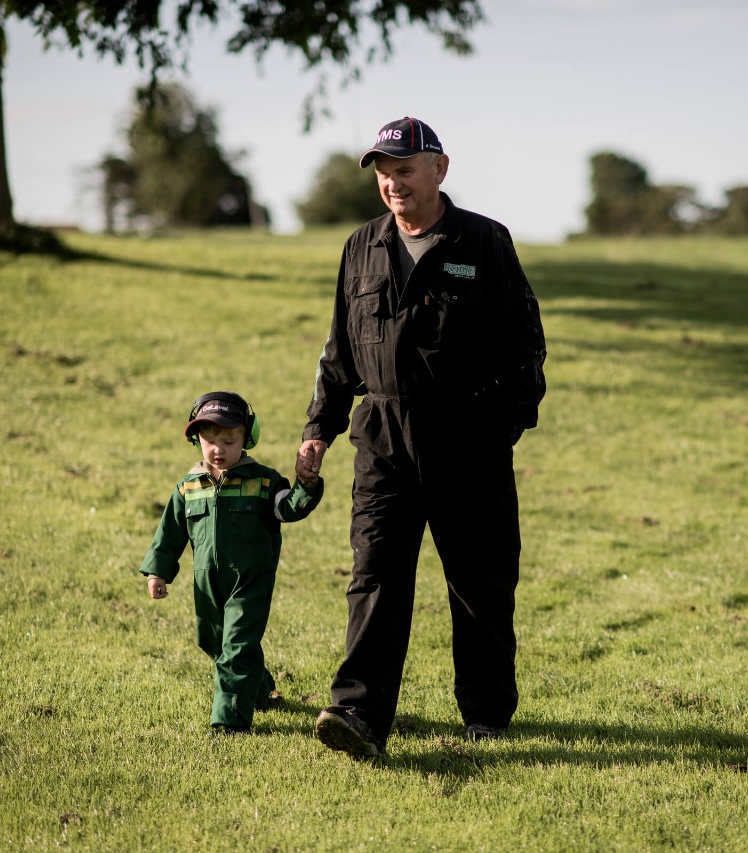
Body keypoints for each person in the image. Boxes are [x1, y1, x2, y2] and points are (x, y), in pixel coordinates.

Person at [296, 116, 547, 758]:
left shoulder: (485, 242)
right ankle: (358, 713)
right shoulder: (360, 247)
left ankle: (486, 715)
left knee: (479, 581)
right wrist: (319, 428)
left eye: (404, 170)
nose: (393, 184)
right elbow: (340, 351)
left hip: (469, 443)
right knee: (375, 574)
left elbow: (524, 351)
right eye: (383, 174)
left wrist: (497, 431)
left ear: (440, 168)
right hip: (381, 440)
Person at [140, 390, 324, 734]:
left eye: (228, 440)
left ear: (247, 437)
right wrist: (157, 571)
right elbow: (170, 533)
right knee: (212, 641)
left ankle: (228, 722)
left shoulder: (264, 481)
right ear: (197, 440)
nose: (218, 449)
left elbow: (289, 507)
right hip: (207, 584)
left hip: (250, 581)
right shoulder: (188, 487)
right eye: (209, 441)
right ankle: (258, 687)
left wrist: (307, 485)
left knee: (236, 646)